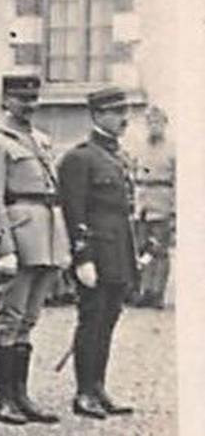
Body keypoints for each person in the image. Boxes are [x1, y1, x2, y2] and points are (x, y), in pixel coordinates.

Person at [0, 72, 68, 425]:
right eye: (21, 99)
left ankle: (20, 394)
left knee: (30, 317)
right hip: (20, 233)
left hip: (45, 233)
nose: (29, 105)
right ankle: (3, 398)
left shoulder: (41, 141)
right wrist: (4, 248)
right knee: (11, 316)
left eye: (33, 99)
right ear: (5, 101)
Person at [57, 87, 142, 418]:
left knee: (109, 319)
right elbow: (74, 211)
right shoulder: (80, 158)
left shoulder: (117, 157)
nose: (123, 119)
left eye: (125, 112)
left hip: (119, 249)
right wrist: (82, 257)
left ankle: (98, 387)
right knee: (91, 319)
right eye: (116, 112)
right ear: (97, 115)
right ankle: (83, 393)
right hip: (96, 251)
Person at [131, 105, 174, 308]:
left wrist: (174, 211)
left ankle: (158, 293)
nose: (154, 127)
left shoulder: (173, 149)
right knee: (143, 249)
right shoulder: (140, 148)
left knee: (159, 250)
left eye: (158, 123)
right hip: (142, 205)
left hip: (162, 204)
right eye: (150, 123)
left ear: (165, 124)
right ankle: (144, 290)